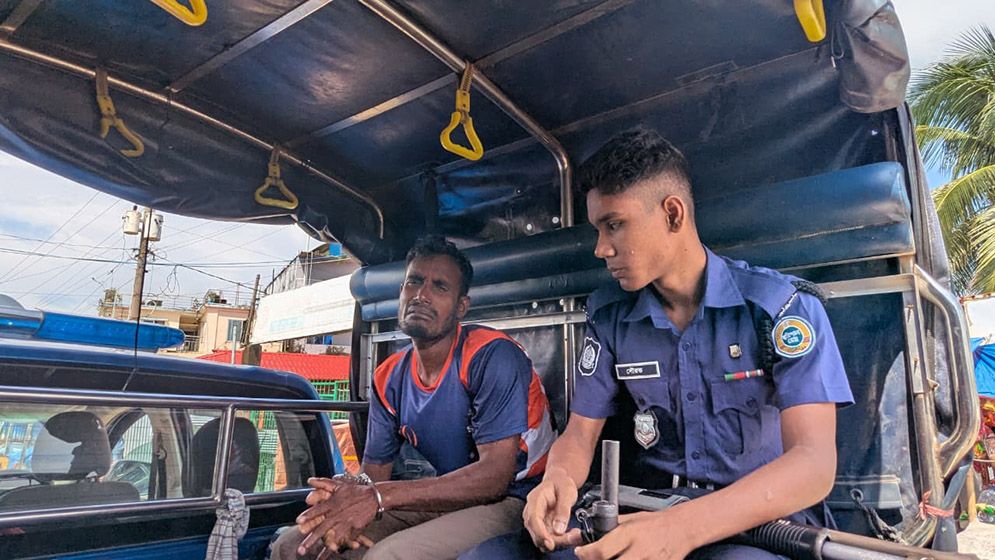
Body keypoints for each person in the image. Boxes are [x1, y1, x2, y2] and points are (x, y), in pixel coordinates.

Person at [467, 128, 854, 560]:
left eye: (614, 225)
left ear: (673, 214)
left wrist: (683, 529)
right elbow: (579, 433)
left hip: (755, 526)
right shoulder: (611, 317)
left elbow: (814, 464)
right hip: (647, 513)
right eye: (598, 229)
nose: (600, 248)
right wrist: (557, 478)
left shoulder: (780, 310)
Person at [272, 236, 556, 560]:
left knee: (388, 556)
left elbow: (495, 477)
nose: (421, 295)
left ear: (461, 306)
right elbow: (373, 476)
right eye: (414, 282)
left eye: (439, 287)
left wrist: (377, 496)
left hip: (516, 499)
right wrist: (349, 489)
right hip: (445, 497)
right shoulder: (388, 376)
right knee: (294, 547)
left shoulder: (491, 356)